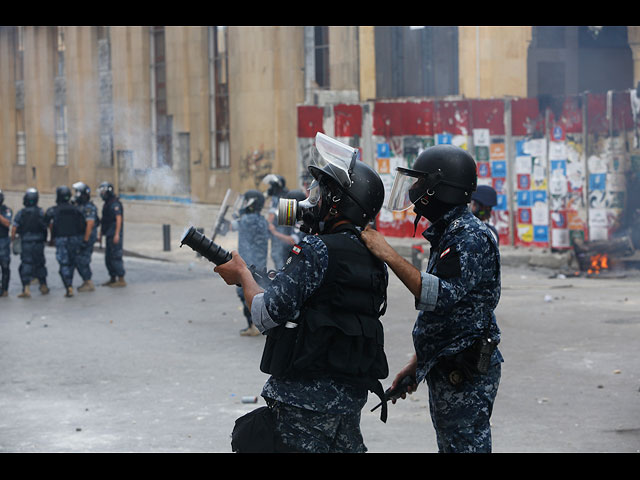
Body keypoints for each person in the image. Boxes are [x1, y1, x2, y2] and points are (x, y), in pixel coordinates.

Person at [215, 133, 389, 453]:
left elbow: (266, 314)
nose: (312, 199)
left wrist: (242, 275)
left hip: (303, 403)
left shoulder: (316, 249)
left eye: (320, 190)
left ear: (337, 201)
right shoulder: (373, 257)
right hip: (348, 399)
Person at [360, 144, 503, 453]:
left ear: (440, 188)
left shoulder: (468, 236)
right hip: (449, 361)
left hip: (463, 369)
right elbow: (455, 315)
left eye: (420, 182)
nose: (414, 191)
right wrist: (417, 365)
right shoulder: (450, 231)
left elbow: (439, 295)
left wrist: (388, 254)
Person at [228, 189, 270, 336]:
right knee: (254, 292)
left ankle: (254, 325)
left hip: (249, 265)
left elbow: (230, 226)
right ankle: (255, 324)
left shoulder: (248, 220)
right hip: (257, 264)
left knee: (244, 292)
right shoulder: (260, 219)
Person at [45, 186, 86, 297]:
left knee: (64, 263)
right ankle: (70, 283)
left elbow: (45, 221)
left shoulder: (54, 210)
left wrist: (50, 237)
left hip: (61, 239)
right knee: (72, 262)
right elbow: (83, 225)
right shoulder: (76, 209)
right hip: (74, 239)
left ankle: (68, 286)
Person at [11, 188, 49, 298]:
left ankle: (26, 288)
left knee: (26, 264)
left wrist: (13, 240)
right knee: (40, 263)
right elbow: (45, 226)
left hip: (26, 242)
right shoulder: (41, 212)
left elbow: (14, 227)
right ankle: (43, 285)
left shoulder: (21, 213)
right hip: (39, 242)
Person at [266, 189, 308, 261]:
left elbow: (293, 241)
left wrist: (275, 232)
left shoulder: (302, 219)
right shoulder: (290, 215)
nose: (286, 206)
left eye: (288, 203)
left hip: (297, 258)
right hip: (286, 256)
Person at [72, 182, 100, 292]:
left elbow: (90, 223)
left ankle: (88, 282)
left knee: (82, 259)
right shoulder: (79, 206)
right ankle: (86, 280)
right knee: (78, 259)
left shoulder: (89, 208)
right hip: (80, 235)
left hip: (86, 237)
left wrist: (86, 239)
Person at [97, 181, 126, 287]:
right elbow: (104, 220)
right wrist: (100, 234)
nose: (102, 194)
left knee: (116, 256)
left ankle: (121, 279)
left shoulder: (115, 203)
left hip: (114, 233)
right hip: (109, 233)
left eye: (103, 191)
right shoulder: (107, 203)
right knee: (108, 257)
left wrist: (117, 234)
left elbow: (119, 219)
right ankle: (113, 278)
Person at [262, 174, 290, 270]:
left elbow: (271, 216)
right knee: (282, 256)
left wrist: (266, 225)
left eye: (271, 186)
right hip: (283, 232)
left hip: (279, 231)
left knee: (277, 256)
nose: (270, 188)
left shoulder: (279, 198)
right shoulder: (285, 195)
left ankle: (281, 280)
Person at [0, 189, 13, 297]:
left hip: (3, 241)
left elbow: (7, 223)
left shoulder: (6, 210)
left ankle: (4, 289)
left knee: (5, 266)